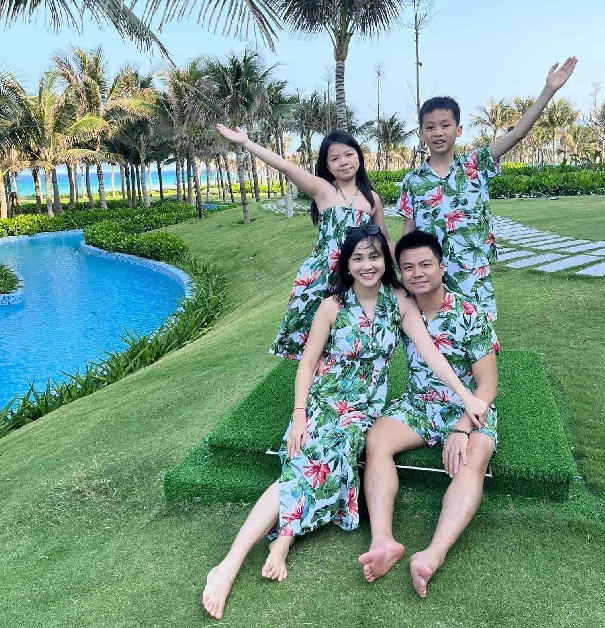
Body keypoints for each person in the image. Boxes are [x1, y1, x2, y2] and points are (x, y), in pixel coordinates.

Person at [202, 227, 488, 620]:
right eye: (358, 258)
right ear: (347, 264)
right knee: (309, 460)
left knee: (319, 462)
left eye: (375, 256)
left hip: (365, 410)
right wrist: (299, 414)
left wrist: (466, 396)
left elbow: (430, 352)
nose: (368, 265)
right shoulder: (332, 305)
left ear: (385, 261)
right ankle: (231, 563)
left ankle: (282, 538)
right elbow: (307, 364)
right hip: (325, 401)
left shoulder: (399, 301)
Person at [358, 230, 500, 598]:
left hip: (468, 409)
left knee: (474, 457)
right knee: (377, 440)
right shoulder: (401, 307)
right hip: (419, 403)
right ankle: (383, 541)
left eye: (425, 264)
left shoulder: (470, 314)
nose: (417, 273)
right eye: (408, 267)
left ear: (442, 266)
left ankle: (432, 555)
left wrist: (463, 428)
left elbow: (488, 387)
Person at [399, 57, 577, 320]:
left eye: (445, 125)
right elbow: (409, 233)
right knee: (432, 340)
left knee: (479, 339)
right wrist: (404, 274)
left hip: (474, 275)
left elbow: (517, 133)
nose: (438, 132)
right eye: (430, 127)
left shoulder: (476, 164)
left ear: (458, 129)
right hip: (428, 279)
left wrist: (548, 90)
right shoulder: (412, 181)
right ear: (421, 133)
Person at [216, 124, 394, 360]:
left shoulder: (373, 199)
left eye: (349, 154)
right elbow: (285, 166)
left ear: (359, 157)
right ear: (327, 166)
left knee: (348, 334)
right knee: (313, 340)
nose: (344, 162)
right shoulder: (322, 189)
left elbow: (384, 240)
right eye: (335, 158)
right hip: (321, 273)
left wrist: (405, 271)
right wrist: (246, 143)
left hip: (358, 274)